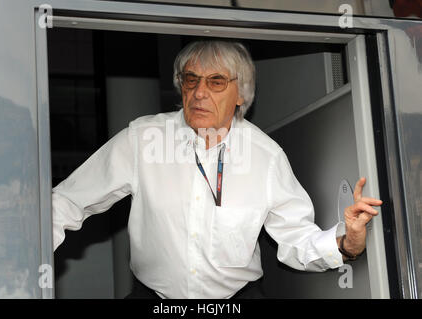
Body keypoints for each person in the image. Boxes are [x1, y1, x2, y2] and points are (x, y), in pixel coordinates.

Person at [52, 40, 383, 299]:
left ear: (241, 95)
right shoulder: (143, 140)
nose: (199, 92)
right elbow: (68, 201)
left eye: (216, 82)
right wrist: (19, 259)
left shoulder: (265, 157)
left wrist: (347, 242)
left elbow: (295, 237)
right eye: (191, 79)